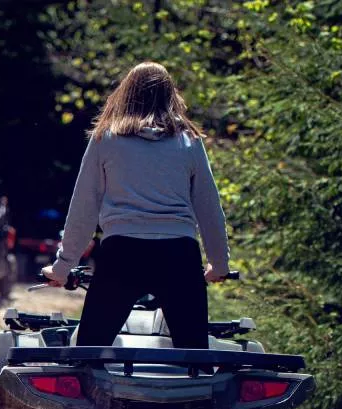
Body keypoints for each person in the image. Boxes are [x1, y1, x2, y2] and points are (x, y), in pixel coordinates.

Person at [42, 61, 230, 349]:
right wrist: (219, 264)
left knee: (88, 352)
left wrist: (63, 267)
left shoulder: (105, 138)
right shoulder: (189, 141)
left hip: (122, 253)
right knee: (195, 356)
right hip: (178, 255)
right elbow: (209, 208)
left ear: (125, 94)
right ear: (171, 96)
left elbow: (84, 207)